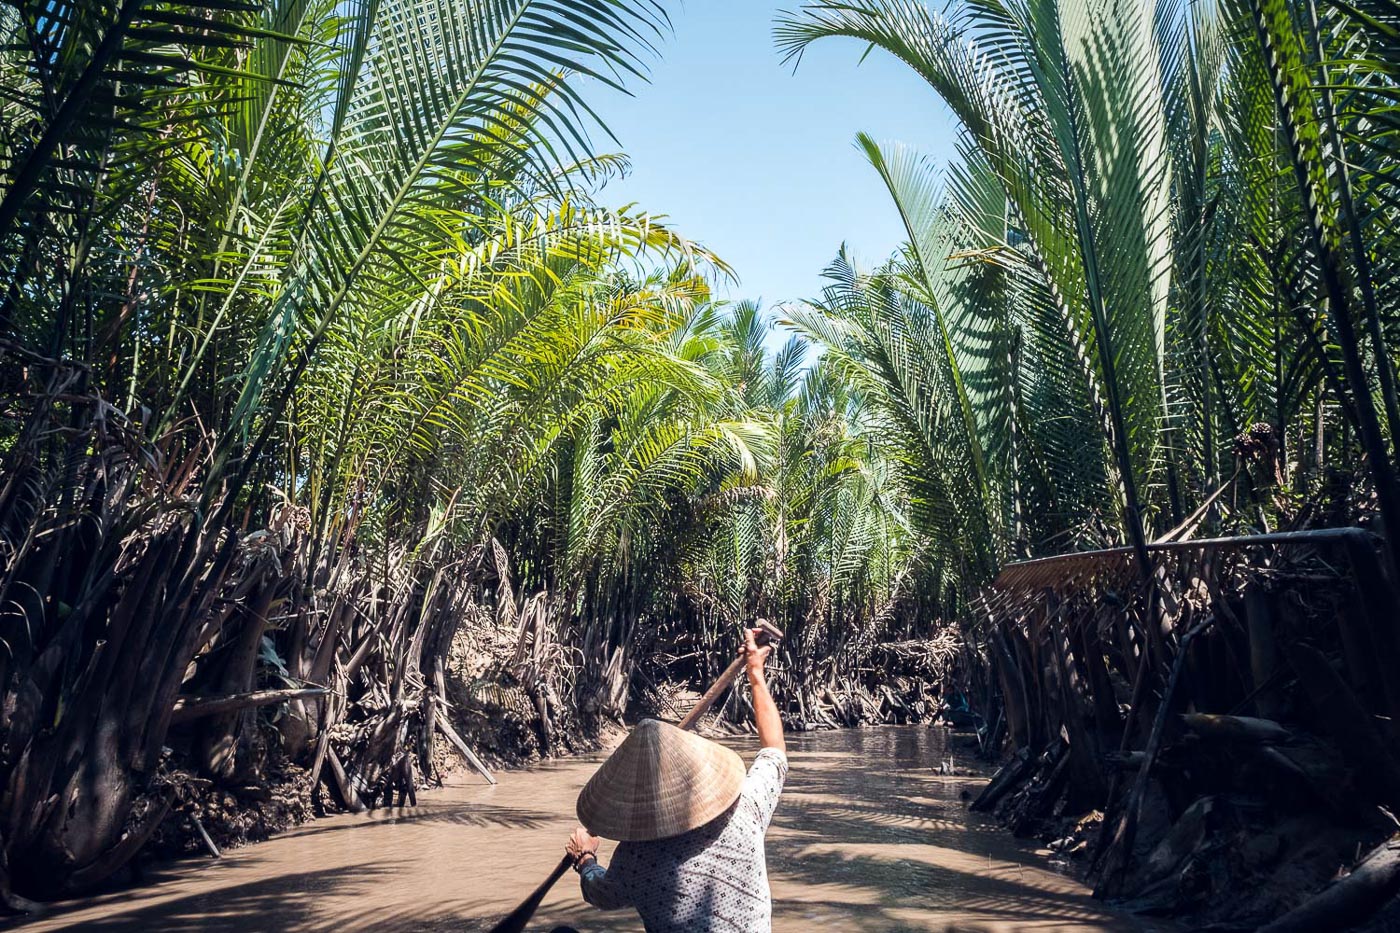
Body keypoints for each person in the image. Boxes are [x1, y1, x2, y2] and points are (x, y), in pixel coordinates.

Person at [564, 627, 788, 932]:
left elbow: (601, 894)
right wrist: (756, 674)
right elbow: (774, 750)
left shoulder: (636, 857)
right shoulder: (746, 810)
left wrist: (586, 859)